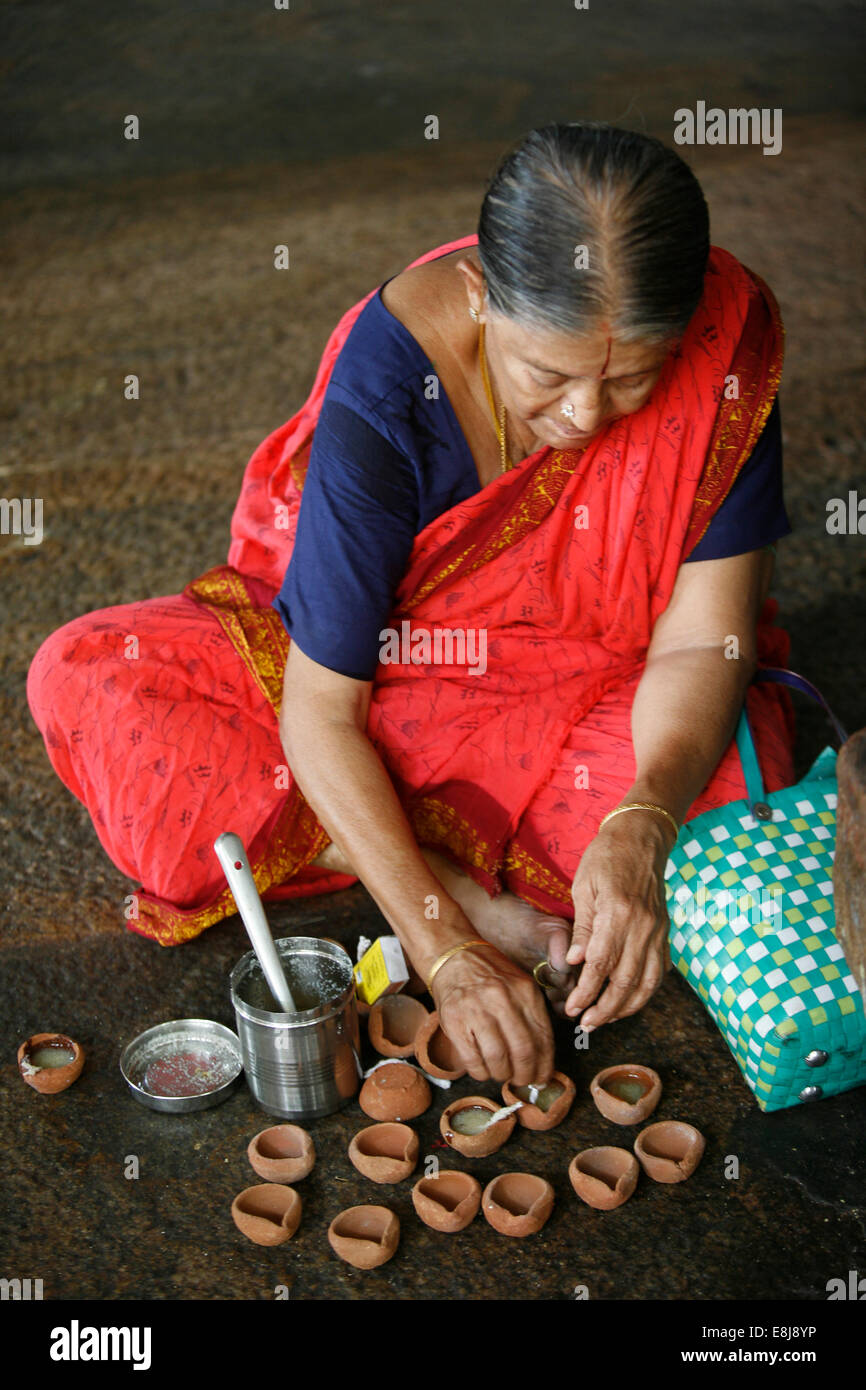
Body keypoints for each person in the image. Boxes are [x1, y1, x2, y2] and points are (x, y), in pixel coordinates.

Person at [27, 122, 795, 1088]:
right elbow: (321, 705)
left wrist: (645, 816)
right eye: (547, 377)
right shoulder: (391, 388)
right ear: (481, 295)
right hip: (377, 674)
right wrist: (445, 948)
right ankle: (453, 883)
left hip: (600, 672)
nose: (588, 418)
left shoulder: (728, 342)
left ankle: (376, 834)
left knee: (730, 811)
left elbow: (699, 642)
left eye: (635, 379)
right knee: (98, 685)